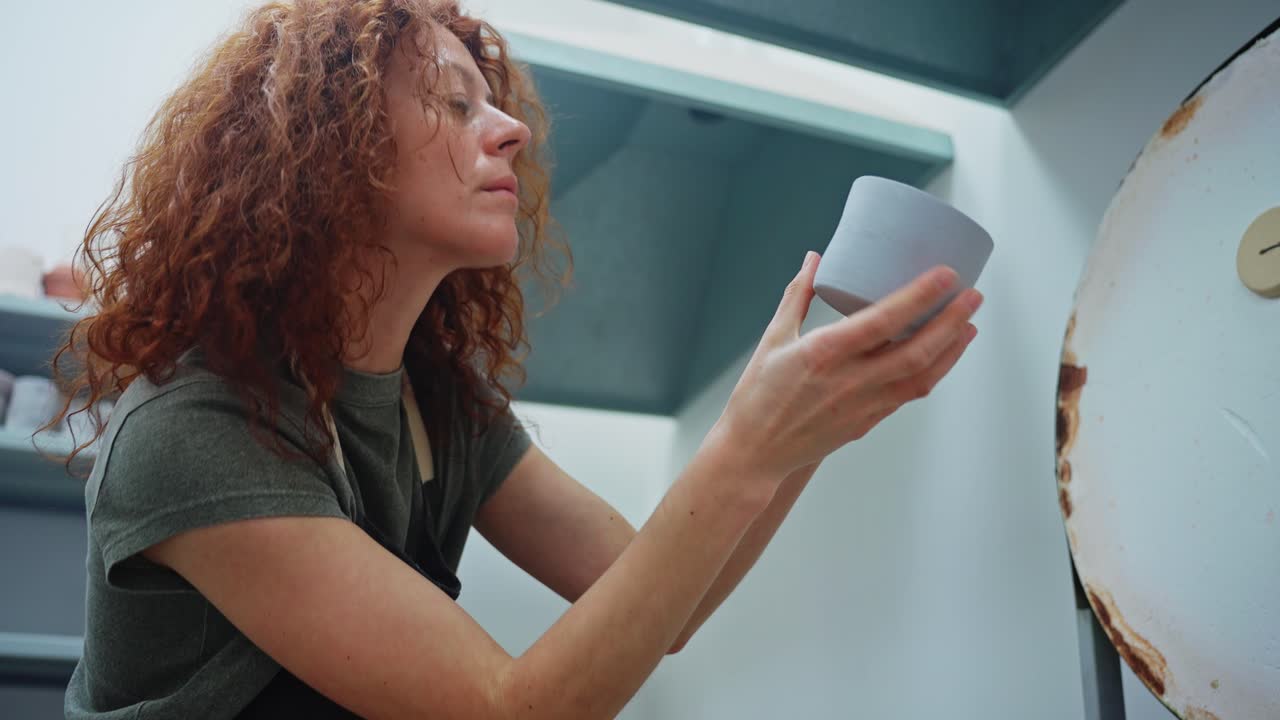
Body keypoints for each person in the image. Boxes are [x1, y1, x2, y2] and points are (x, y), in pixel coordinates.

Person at [52, 1, 983, 718]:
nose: (511, 131)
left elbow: (662, 603)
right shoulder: (192, 427)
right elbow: (509, 707)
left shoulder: (441, 405)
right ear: (326, 155)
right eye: (456, 106)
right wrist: (749, 441)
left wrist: (805, 422)